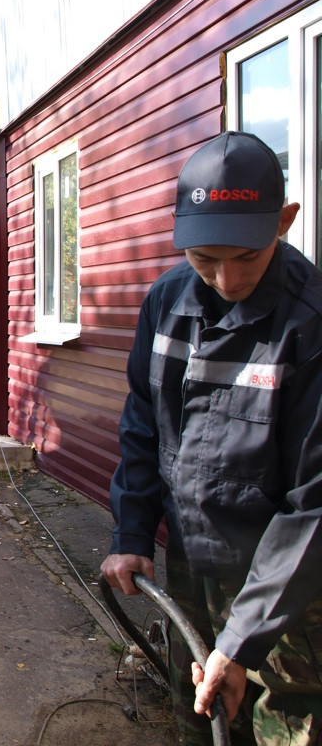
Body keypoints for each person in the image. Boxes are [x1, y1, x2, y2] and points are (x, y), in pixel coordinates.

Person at [100, 131, 322, 745]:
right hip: (191, 573)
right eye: (205, 259)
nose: (225, 279)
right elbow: (144, 424)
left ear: (284, 222)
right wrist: (132, 533)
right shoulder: (167, 304)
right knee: (198, 723)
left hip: (289, 596)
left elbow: (314, 503)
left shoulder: (310, 325)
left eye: (245, 258)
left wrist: (244, 640)